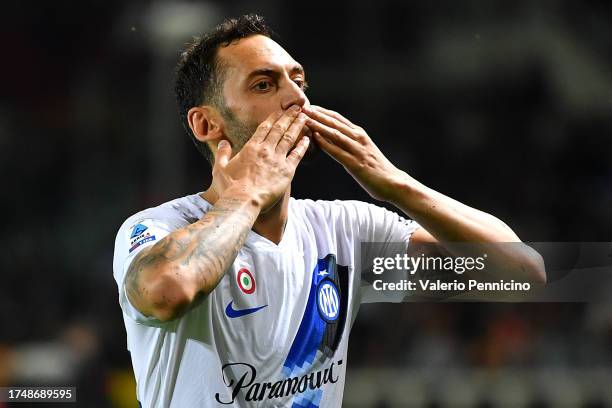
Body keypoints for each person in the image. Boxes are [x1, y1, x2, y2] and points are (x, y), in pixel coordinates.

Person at [112, 14, 545, 408]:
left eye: (298, 81)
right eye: (264, 85)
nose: (296, 98)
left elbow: (524, 273)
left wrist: (396, 184)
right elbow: (166, 291)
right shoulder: (159, 227)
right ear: (206, 124)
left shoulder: (345, 231)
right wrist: (247, 195)